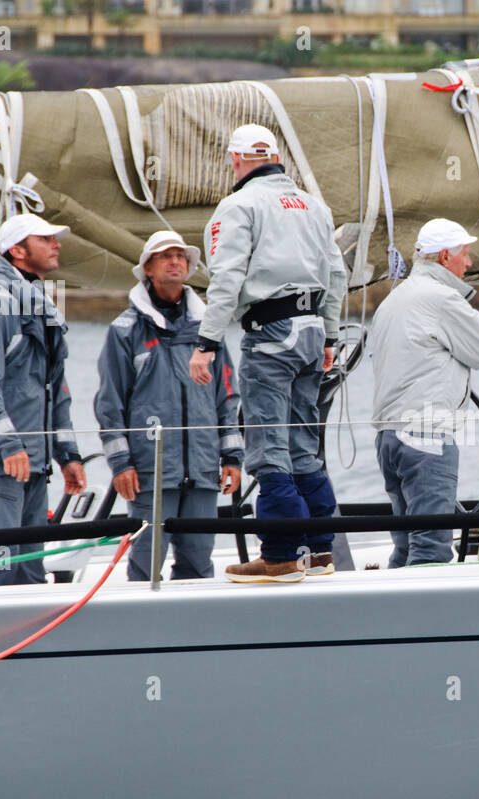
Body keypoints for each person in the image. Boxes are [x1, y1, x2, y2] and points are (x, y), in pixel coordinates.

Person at [188, 123, 347, 583]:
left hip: (270, 334)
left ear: (236, 160)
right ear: (275, 157)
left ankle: (279, 554)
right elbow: (336, 275)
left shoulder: (238, 205)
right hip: (314, 331)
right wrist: (331, 339)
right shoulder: (314, 207)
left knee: (267, 447)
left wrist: (206, 343)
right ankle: (318, 550)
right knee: (303, 446)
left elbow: (226, 278)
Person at [95, 231, 242, 582]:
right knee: (147, 564)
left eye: (181, 256)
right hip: (150, 471)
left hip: (204, 469)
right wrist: (120, 463)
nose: (175, 261)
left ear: (189, 268)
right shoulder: (124, 331)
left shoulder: (210, 331)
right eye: (165, 255)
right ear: (147, 267)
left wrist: (233, 458)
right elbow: (109, 403)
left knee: (198, 565)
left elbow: (227, 397)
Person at [0, 213, 86, 586]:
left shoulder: (40, 307)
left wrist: (68, 455)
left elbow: (53, 390)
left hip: (32, 464)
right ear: (17, 250)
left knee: (28, 573)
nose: (56, 244)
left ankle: (26, 645)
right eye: (45, 239)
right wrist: (9, 445)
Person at [371, 219, 479, 567]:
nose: (470, 262)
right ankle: (424, 621)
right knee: (431, 549)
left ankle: (396, 618)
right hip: (426, 439)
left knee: (405, 548)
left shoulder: (394, 299)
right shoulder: (441, 298)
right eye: (465, 254)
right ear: (446, 257)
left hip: (389, 439)